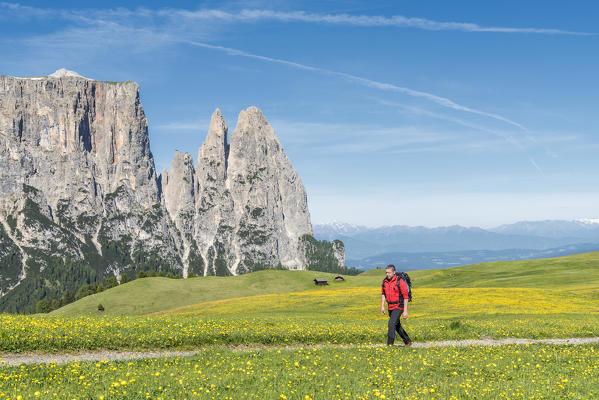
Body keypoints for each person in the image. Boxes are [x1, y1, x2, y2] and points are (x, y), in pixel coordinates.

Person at [381, 264, 412, 346]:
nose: (387, 274)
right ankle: (407, 341)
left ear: (394, 272)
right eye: (386, 273)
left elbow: (406, 297)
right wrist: (382, 306)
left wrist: (405, 311)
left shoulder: (400, 281)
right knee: (397, 325)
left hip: (399, 305)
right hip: (390, 307)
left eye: (389, 273)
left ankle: (390, 345)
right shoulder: (384, 282)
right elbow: (383, 294)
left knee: (391, 323)